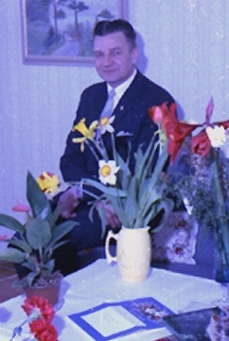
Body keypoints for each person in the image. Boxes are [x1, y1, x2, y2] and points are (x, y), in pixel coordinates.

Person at [56, 19, 175, 272]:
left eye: (115, 53)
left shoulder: (157, 100)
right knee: (26, 238)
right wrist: (81, 193)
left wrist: (93, 196)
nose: (106, 62)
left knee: (57, 243)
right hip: (87, 200)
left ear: (134, 55)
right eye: (99, 54)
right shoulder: (90, 96)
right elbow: (70, 159)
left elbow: (144, 174)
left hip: (124, 209)